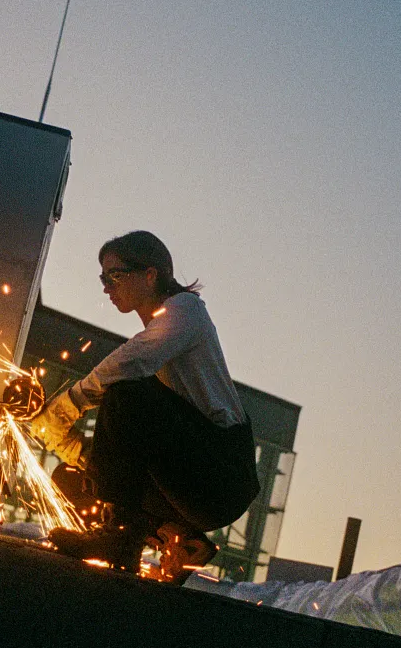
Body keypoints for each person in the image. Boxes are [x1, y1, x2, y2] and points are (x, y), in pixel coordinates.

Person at [31, 231, 259, 583]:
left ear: (150, 274)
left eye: (115, 276)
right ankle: (183, 540)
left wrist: (67, 406)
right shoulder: (163, 337)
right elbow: (124, 459)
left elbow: (129, 362)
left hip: (223, 476)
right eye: (103, 278)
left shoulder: (187, 311)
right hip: (191, 476)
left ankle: (121, 539)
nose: (107, 287)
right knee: (73, 480)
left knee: (124, 392)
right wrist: (67, 443)